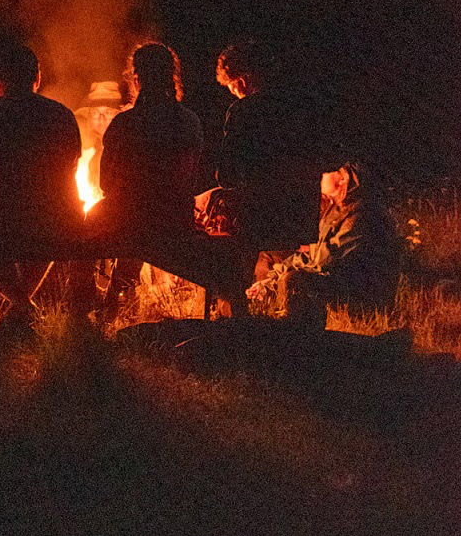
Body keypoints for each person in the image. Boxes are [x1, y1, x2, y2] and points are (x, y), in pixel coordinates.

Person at [0, 42, 83, 328]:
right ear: (36, 78)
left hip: (3, 221)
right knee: (55, 217)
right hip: (56, 221)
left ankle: (20, 303)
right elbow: (71, 170)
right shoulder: (62, 115)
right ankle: (23, 305)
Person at [87, 42, 203, 314]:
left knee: (84, 225)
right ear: (171, 77)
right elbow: (191, 178)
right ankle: (118, 293)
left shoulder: (124, 123)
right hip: (175, 219)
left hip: (130, 219)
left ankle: (87, 303)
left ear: (136, 79)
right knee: (140, 220)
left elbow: (105, 183)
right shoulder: (189, 121)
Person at [205, 38, 324, 283]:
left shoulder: (244, 111)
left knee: (206, 208)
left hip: (259, 217)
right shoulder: (301, 107)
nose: (233, 93)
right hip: (301, 215)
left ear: (242, 79)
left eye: (231, 86)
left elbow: (226, 174)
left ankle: (229, 298)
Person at [248, 162, 401, 327]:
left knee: (294, 279)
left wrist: (283, 272)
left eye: (326, 173)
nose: (320, 177)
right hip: (337, 279)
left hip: (359, 294)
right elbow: (315, 254)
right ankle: (265, 305)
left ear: (343, 179)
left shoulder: (363, 214)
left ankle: (294, 328)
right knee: (268, 257)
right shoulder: (337, 208)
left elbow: (325, 260)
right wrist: (271, 279)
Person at [74, 80, 128, 201]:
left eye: (108, 112)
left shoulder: (127, 148)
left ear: (118, 116)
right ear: (88, 117)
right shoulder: (82, 148)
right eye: (95, 113)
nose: (101, 118)